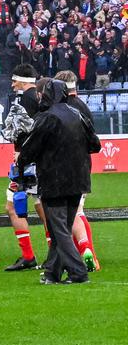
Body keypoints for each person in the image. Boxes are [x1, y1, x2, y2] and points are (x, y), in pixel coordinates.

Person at [18, 79, 101, 284]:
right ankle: (52, 273)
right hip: (79, 179)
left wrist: (21, 160)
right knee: (62, 229)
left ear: (46, 94)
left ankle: (78, 272)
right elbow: (95, 145)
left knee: (59, 230)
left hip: (54, 180)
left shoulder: (46, 118)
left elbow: (30, 148)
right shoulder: (77, 114)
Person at [55, 70, 101, 271]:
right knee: (78, 210)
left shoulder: (62, 108)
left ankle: (85, 252)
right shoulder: (83, 106)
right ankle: (86, 253)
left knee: (71, 213)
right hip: (83, 163)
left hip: (65, 165)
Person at [1, 64, 43, 271]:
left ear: (23, 80)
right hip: (39, 161)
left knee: (13, 206)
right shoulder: (40, 97)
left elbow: (22, 131)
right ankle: (56, 254)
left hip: (26, 163)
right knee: (42, 207)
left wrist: (22, 152)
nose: (12, 84)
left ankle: (28, 256)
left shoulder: (26, 100)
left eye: (14, 80)